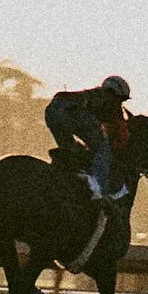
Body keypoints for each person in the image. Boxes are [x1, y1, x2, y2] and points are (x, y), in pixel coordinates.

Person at [45, 75, 132, 204]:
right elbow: (120, 132)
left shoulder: (94, 94)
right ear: (114, 93)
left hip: (52, 110)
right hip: (70, 111)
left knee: (72, 150)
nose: (120, 103)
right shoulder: (108, 100)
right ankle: (98, 189)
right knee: (103, 149)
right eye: (120, 99)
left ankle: (65, 175)